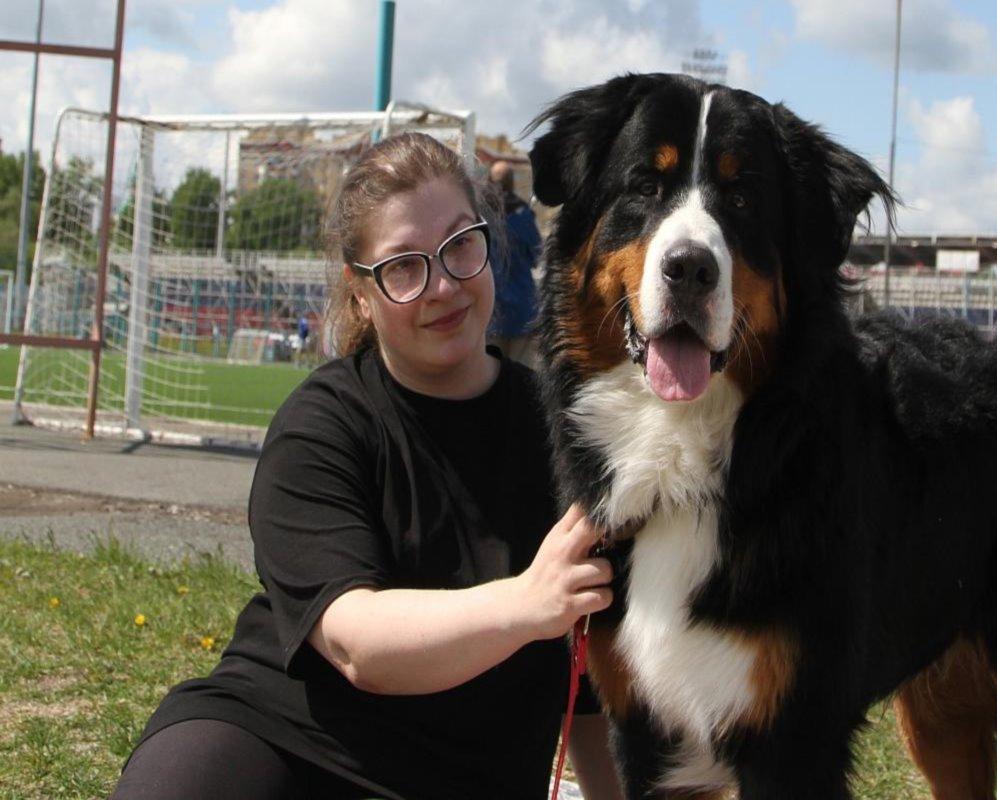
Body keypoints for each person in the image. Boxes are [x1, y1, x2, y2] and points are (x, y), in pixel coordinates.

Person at [110, 133, 623, 800]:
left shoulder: (567, 435)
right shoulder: (322, 424)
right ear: (359, 294)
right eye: (405, 266)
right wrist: (528, 602)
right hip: (289, 744)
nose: (442, 285)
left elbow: (591, 685)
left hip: (466, 777)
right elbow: (358, 645)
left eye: (460, 246)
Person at [486, 160, 541, 367]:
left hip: (490, 310)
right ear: (511, 183)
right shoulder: (523, 214)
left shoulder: (480, 216)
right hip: (523, 310)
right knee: (522, 378)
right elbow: (537, 255)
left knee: (489, 374)